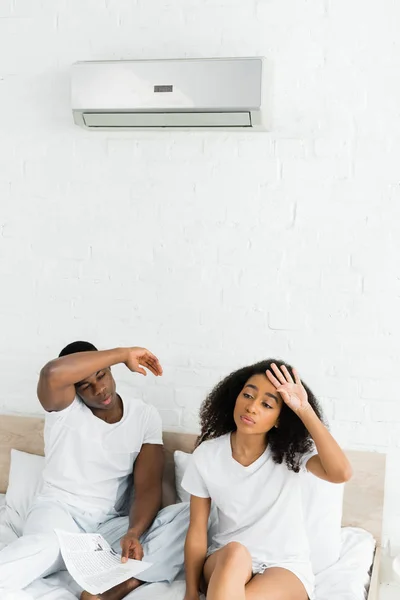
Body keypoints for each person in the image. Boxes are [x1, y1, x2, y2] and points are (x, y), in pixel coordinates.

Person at [0, 342, 190, 600]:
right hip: (58, 515)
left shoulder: (144, 416)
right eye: (85, 385)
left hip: (107, 527)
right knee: (47, 545)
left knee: (189, 516)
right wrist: (124, 354)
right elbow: (51, 374)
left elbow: (148, 487)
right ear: (73, 389)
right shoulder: (64, 410)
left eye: (101, 375)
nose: (99, 389)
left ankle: (125, 583)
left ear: (109, 369)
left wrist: (133, 533)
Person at [182, 359, 353, 600]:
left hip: (284, 565)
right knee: (235, 552)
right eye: (248, 396)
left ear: (280, 418)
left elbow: (341, 473)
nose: (251, 408)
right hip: (225, 560)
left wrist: (304, 409)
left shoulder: (293, 454)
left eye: (266, 404)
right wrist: (190, 592)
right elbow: (197, 530)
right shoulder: (206, 455)